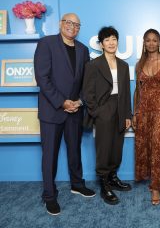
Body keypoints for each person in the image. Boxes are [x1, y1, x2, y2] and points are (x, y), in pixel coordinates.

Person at [34, 13, 95, 216]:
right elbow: (42, 78)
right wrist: (62, 102)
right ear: (61, 24)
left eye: (76, 24)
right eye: (68, 23)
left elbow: (86, 81)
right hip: (52, 110)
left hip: (75, 110)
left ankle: (77, 184)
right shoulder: (46, 44)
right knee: (49, 155)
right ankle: (49, 196)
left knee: (74, 151)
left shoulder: (83, 49)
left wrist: (79, 102)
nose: (72, 27)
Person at [82, 26, 132, 205]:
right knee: (104, 147)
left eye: (114, 39)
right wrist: (97, 112)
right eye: (107, 40)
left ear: (117, 41)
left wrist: (128, 114)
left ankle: (112, 177)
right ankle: (104, 183)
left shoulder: (124, 65)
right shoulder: (94, 65)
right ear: (101, 44)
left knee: (117, 146)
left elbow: (126, 91)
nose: (111, 43)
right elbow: (87, 93)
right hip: (104, 110)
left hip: (120, 107)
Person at [132, 28, 160, 205]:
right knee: (146, 145)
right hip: (143, 110)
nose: (151, 43)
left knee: (158, 146)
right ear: (144, 43)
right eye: (148, 40)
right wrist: (135, 112)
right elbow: (138, 90)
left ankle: (156, 187)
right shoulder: (139, 64)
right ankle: (151, 177)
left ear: (159, 42)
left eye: (154, 40)